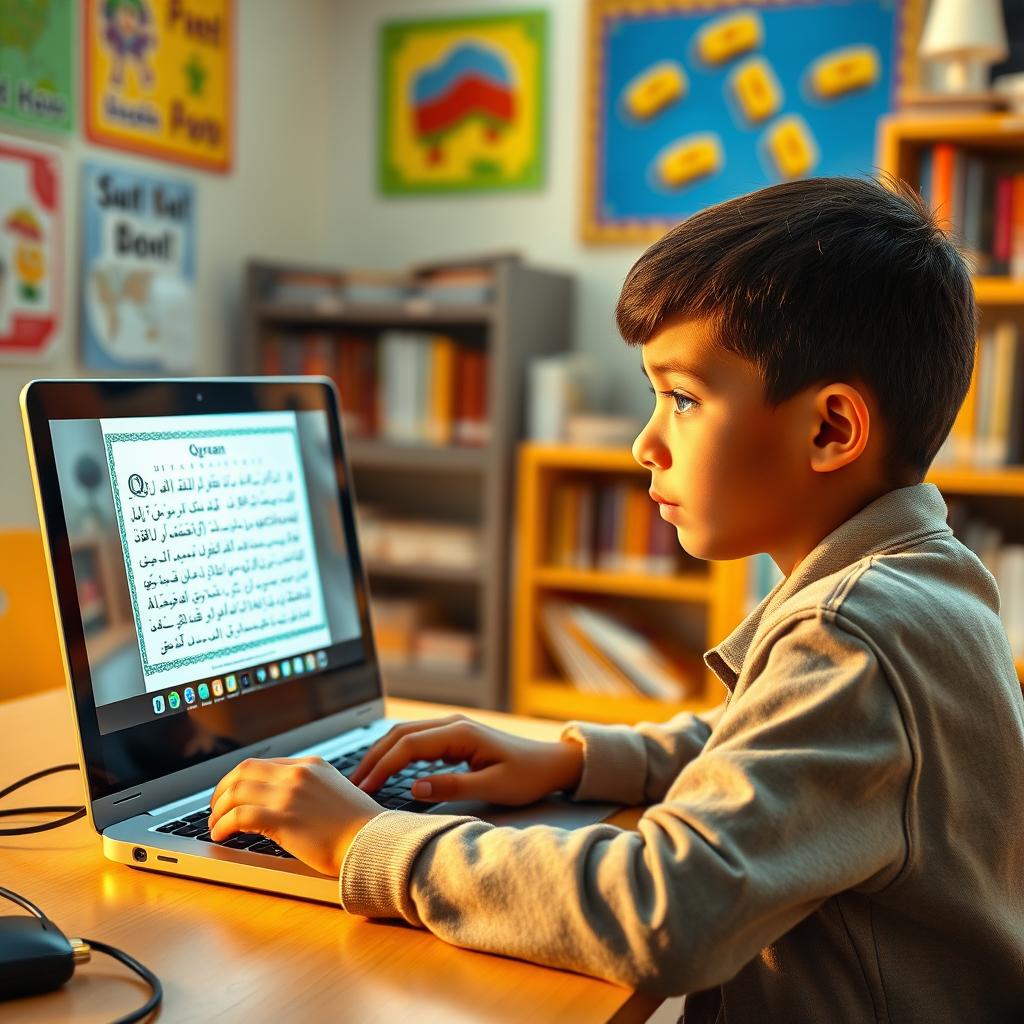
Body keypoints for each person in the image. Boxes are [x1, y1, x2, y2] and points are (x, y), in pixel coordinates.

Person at [207, 177, 1024, 1022]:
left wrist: (363, 841)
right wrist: (577, 761)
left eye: (682, 398)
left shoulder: (849, 631)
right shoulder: (926, 575)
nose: (644, 443)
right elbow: (778, 743)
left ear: (830, 430)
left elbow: (667, 911)